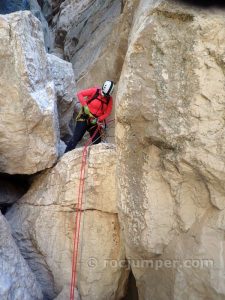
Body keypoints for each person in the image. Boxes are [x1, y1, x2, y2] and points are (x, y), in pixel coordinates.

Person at [65, 80, 114, 152]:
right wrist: (85, 106)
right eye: (103, 94)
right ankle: (66, 154)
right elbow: (80, 94)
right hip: (85, 117)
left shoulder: (109, 100)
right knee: (76, 138)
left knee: (97, 142)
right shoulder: (95, 91)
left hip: (95, 122)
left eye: (106, 95)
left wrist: (98, 119)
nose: (104, 96)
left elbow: (107, 113)